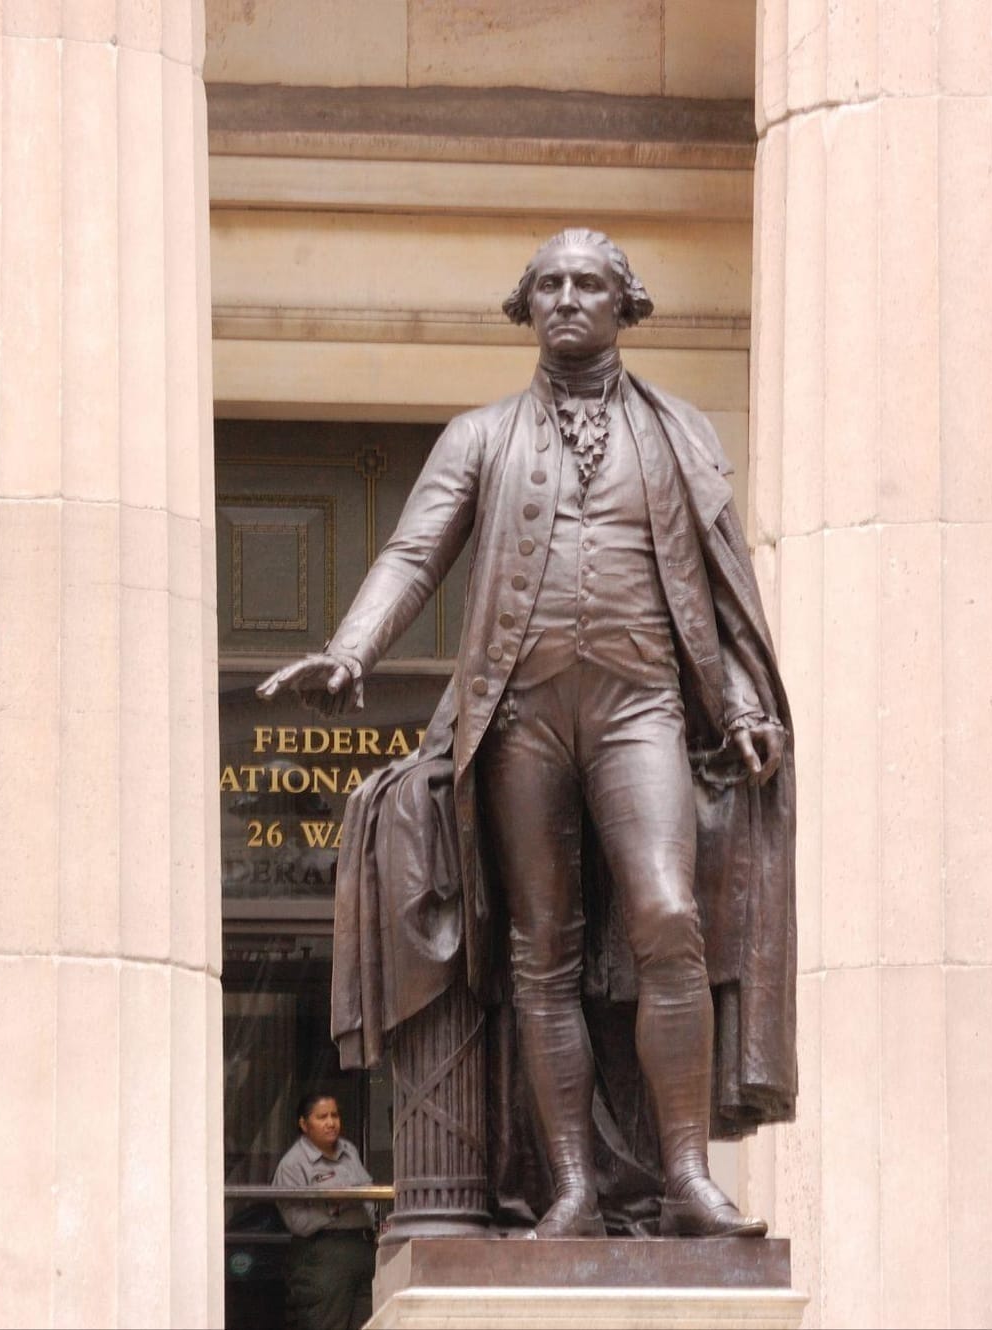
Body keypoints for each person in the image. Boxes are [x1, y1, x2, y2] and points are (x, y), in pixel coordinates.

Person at [260, 229, 796, 1238]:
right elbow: (415, 553)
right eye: (546, 283)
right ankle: (570, 1187)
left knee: (668, 916)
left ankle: (685, 1174)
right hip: (518, 714)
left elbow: (714, 595)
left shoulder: (679, 433)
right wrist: (350, 649)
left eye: (587, 283)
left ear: (623, 303)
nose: (564, 298)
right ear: (525, 305)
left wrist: (739, 709)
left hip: (641, 708)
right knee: (538, 953)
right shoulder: (478, 436)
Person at [273, 1092, 376, 1330]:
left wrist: (378, 1228)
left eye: (335, 1115)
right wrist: (335, 1206)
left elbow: (369, 1195)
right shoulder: (293, 1164)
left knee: (369, 1324)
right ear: (304, 1124)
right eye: (322, 1117)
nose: (331, 1123)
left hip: (362, 1250)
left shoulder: (348, 1150)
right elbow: (297, 1221)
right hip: (322, 1257)